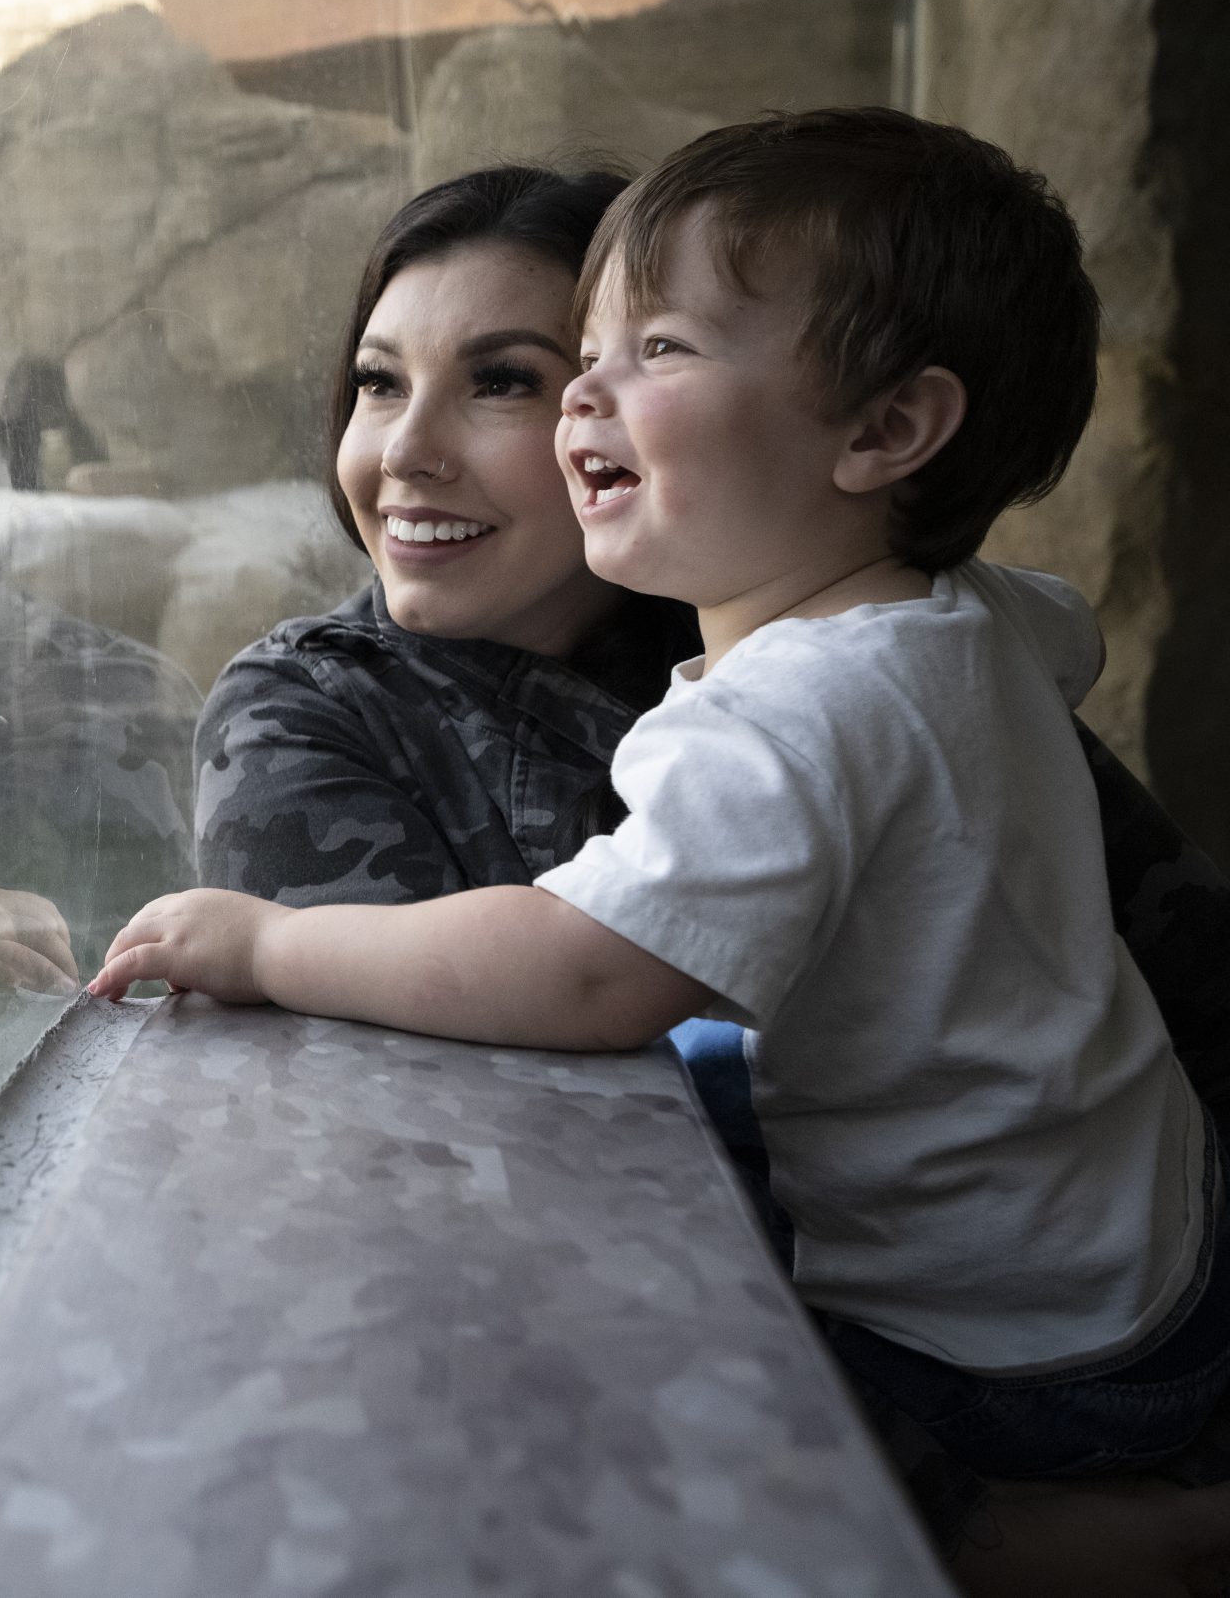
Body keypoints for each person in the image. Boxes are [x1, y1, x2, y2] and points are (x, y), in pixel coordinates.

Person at [94, 109, 1230, 1594]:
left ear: (880, 431)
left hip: (1026, 1341)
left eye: (529, 375)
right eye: (376, 383)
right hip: (1152, 1252)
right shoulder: (962, 620)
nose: (408, 450)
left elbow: (580, 980)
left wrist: (262, 940)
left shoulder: (785, 685)